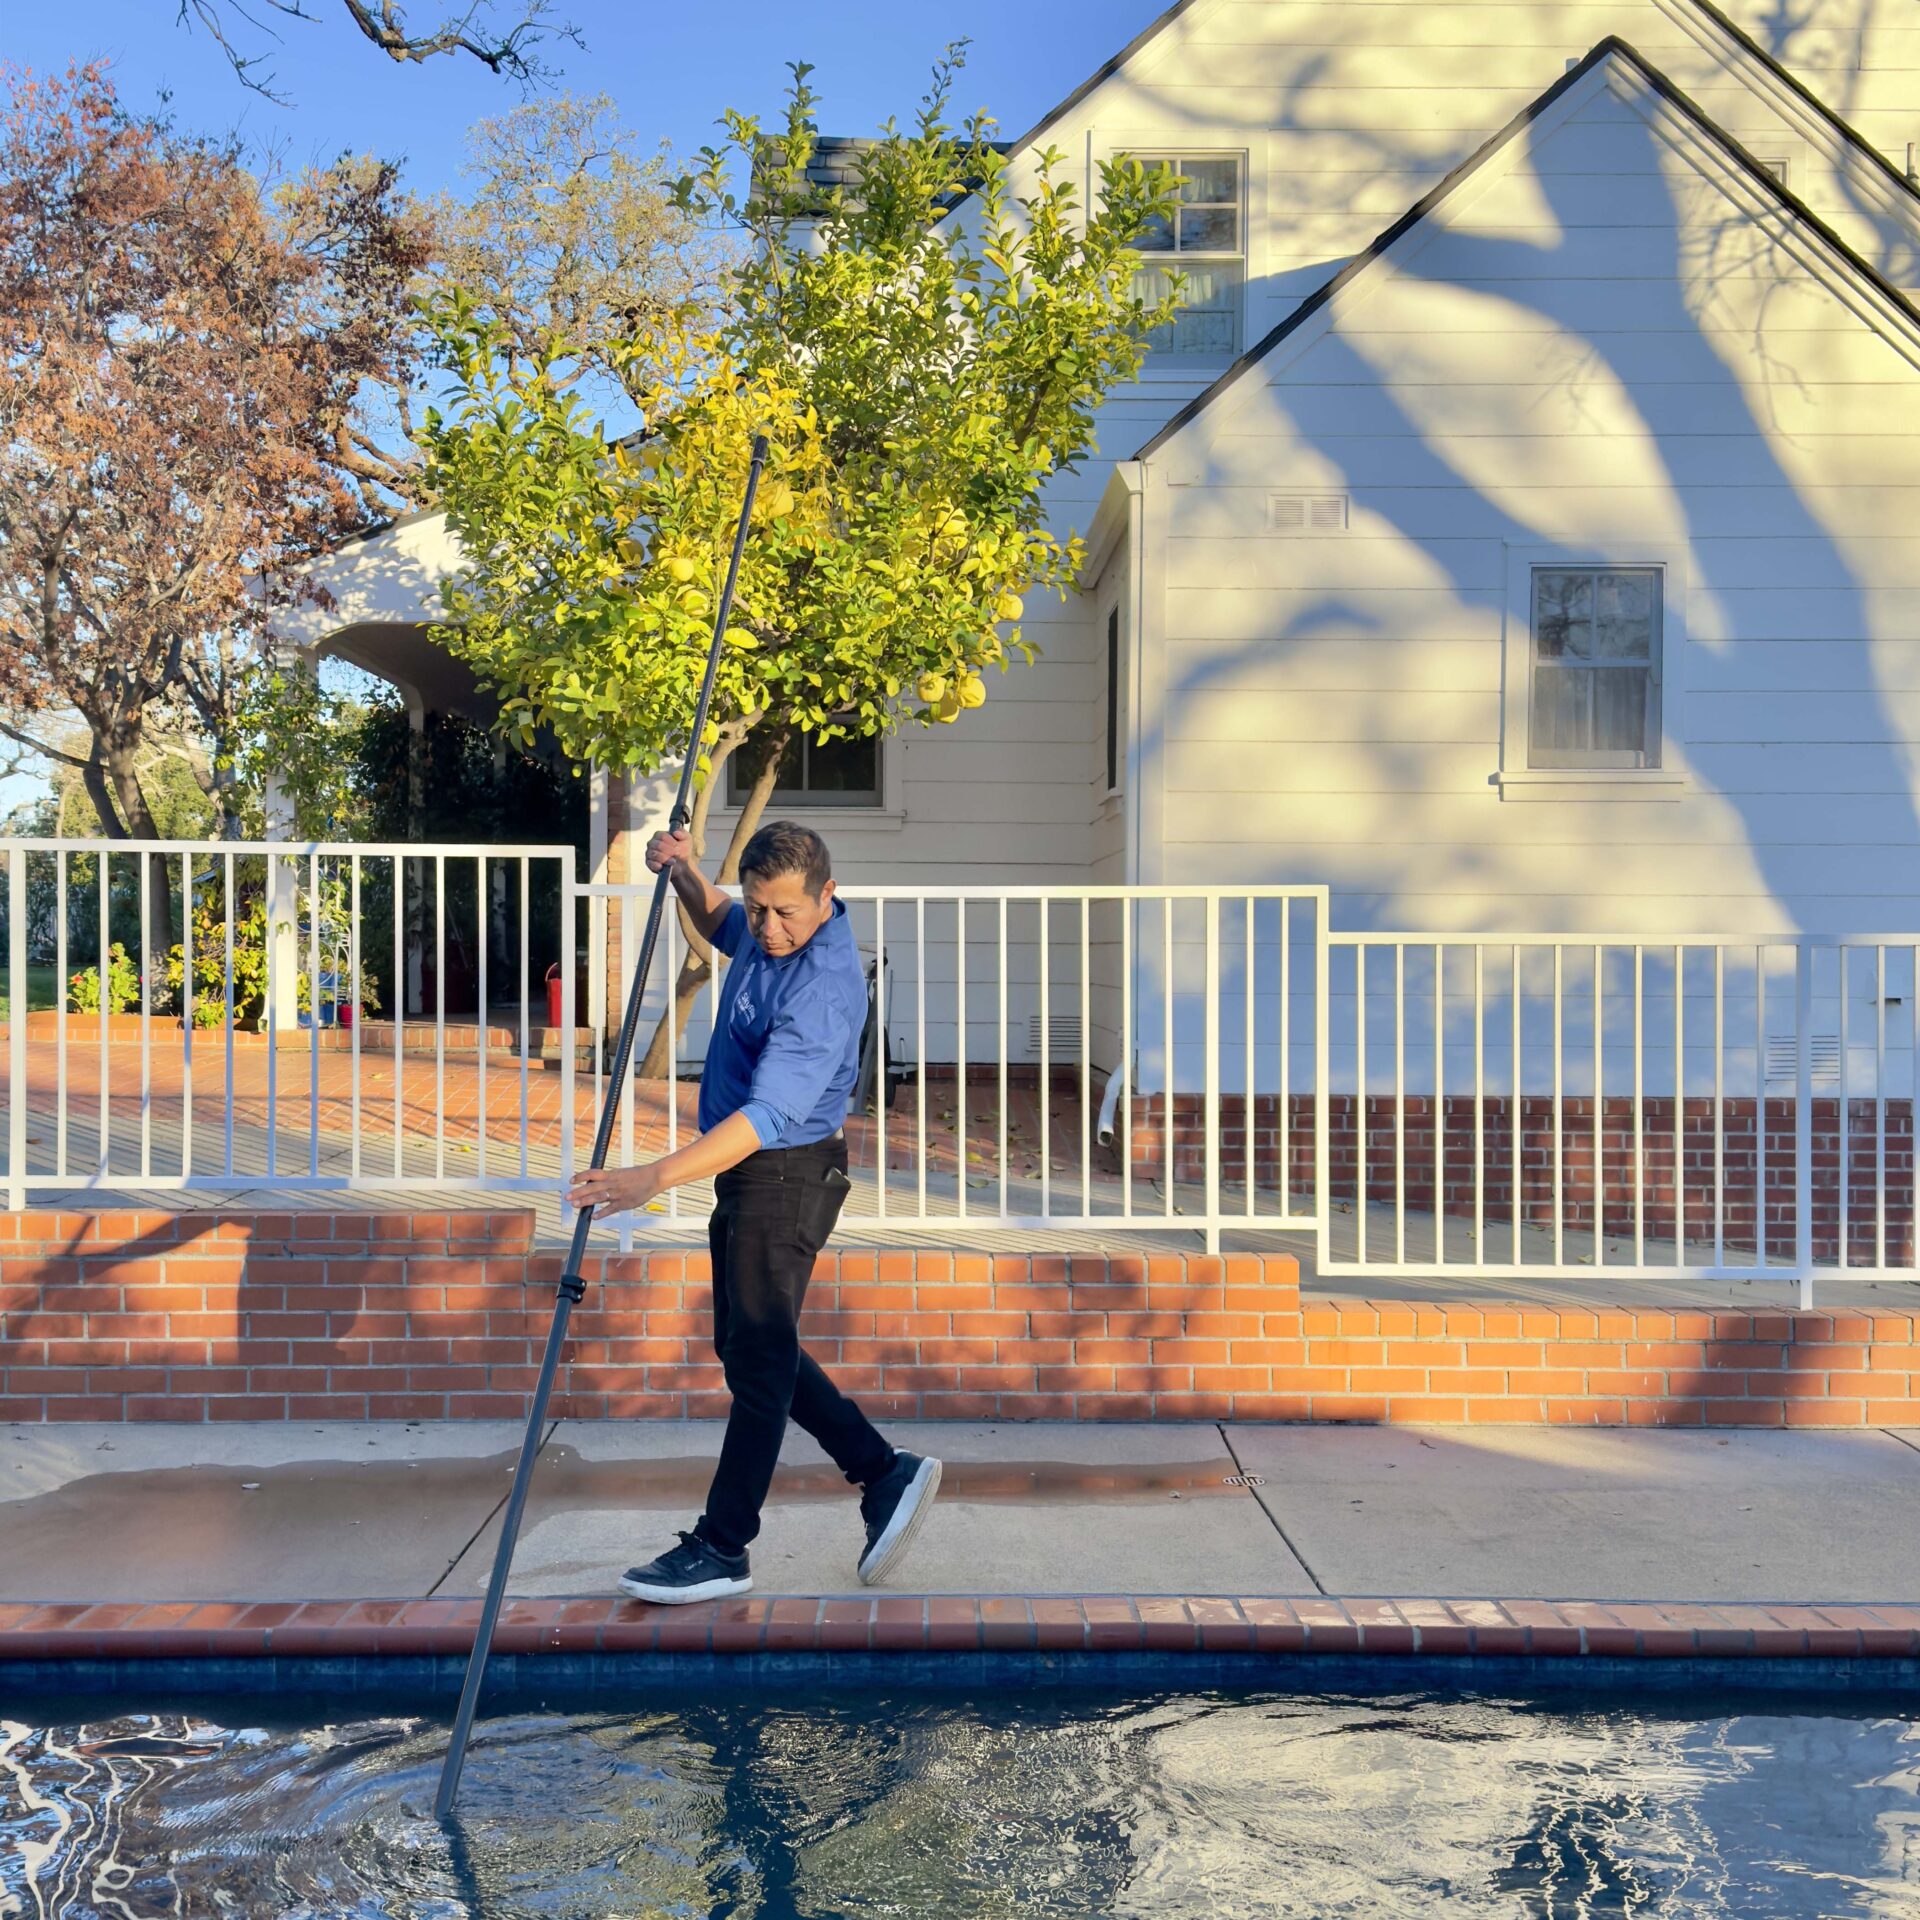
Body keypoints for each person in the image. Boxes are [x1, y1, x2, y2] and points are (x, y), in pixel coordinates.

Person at [567, 818, 941, 1603]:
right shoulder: (766, 926)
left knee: (760, 1359)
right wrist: (684, 874)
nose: (768, 929)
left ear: (827, 897)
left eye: (786, 914)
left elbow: (767, 1119)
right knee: (744, 1347)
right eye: (761, 907)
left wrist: (652, 1178)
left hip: (786, 1172)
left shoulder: (823, 992)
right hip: (749, 1174)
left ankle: (723, 1544)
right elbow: (720, 921)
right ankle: (882, 1473)